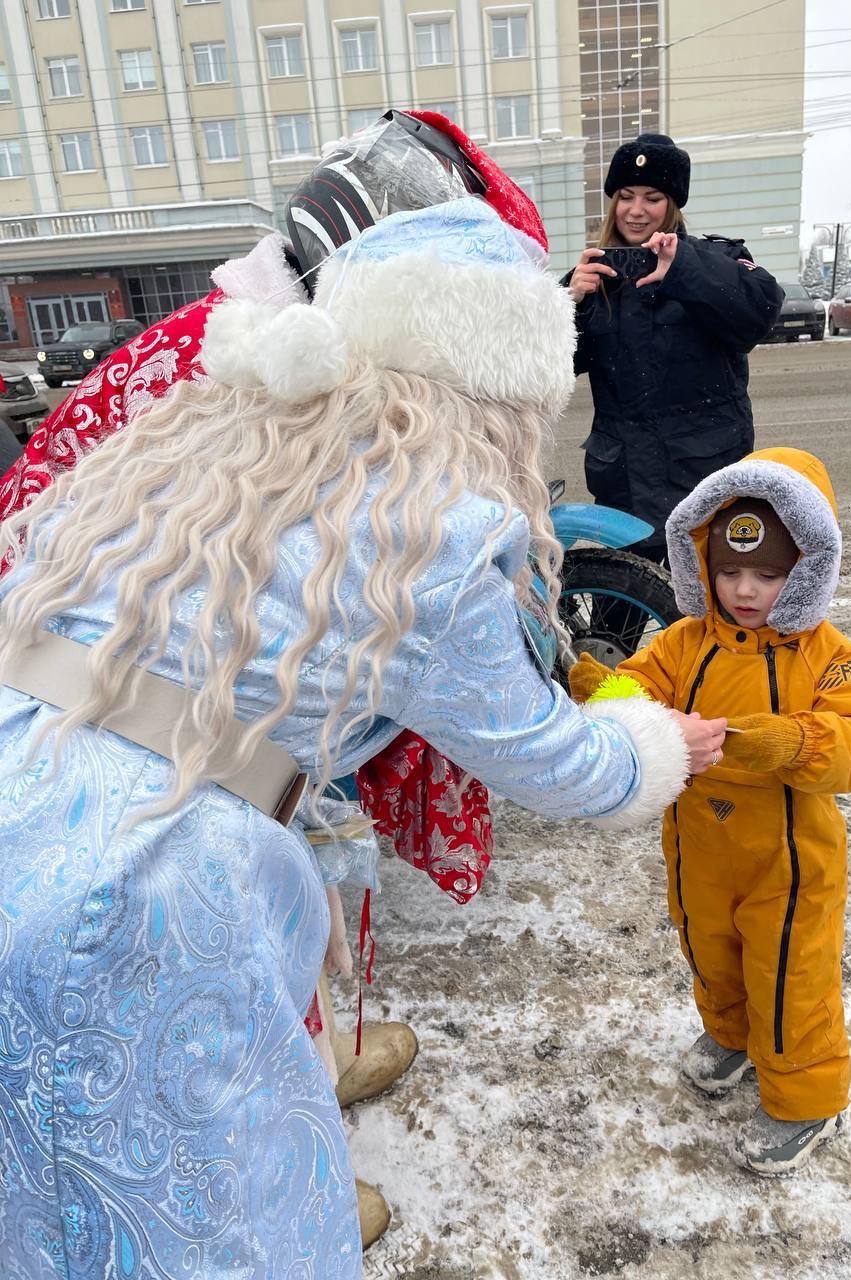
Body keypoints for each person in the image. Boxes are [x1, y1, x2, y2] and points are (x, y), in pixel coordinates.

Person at [0, 197, 727, 1278]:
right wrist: (654, 742)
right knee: (189, 1217)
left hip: (23, 783)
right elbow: (548, 756)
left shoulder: (194, 444)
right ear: (505, 385)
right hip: (143, 890)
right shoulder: (434, 523)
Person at [0, 108, 550, 1250]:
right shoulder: (246, 367)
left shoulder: (247, 338)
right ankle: (275, 1158)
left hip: (90, 743)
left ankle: (305, 1089)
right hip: (145, 784)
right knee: (200, 1024)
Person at [569, 446, 851, 1175]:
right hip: (698, 850)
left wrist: (792, 741)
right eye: (730, 571)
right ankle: (733, 1034)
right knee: (710, 949)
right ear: (703, 566)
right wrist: (600, 688)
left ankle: (810, 1099)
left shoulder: (827, 654)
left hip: (789, 864)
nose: (745, 590)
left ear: (807, 568)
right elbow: (636, 691)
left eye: (768, 574)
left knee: (791, 978)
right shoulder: (686, 643)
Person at [565, 133, 784, 563]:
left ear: (674, 204)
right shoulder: (593, 274)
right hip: (623, 480)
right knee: (619, 610)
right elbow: (550, 365)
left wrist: (681, 267)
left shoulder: (714, 258)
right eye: (626, 196)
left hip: (703, 475)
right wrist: (566, 303)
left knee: (707, 609)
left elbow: (757, 315)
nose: (636, 210)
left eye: (653, 197)